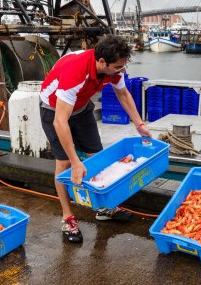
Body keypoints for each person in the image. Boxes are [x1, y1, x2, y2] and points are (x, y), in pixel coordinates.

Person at [39, 36, 152, 243]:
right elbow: (59, 122)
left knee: (97, 157)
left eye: (122, 66)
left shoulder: (113, 68)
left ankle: (102, 208)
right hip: (54, 109)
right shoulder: (76, 71)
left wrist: (139, 124)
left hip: (81, 108)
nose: (121, 70)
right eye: (118, 67)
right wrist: (75, 162)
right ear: (102, 62)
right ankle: (68, 217)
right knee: (64, 163)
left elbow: (124, 94)